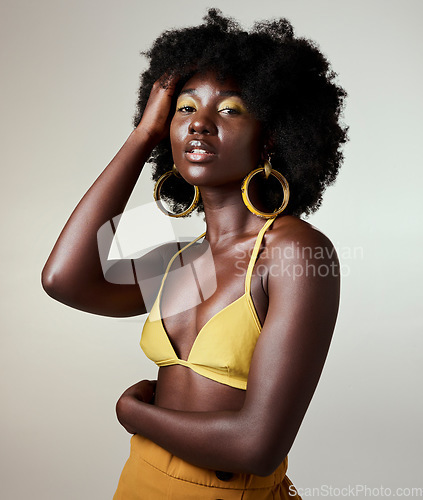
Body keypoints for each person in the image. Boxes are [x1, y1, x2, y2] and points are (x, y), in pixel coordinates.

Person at [42, 9, 348, 499]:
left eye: (228, 110)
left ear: (270, 135)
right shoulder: (178, 260)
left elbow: (256, 445)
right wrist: (142, 136)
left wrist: (135, 413)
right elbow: (63, 280)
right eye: (184, 109)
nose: (199, 125)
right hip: (138, 483)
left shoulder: (293, 251)